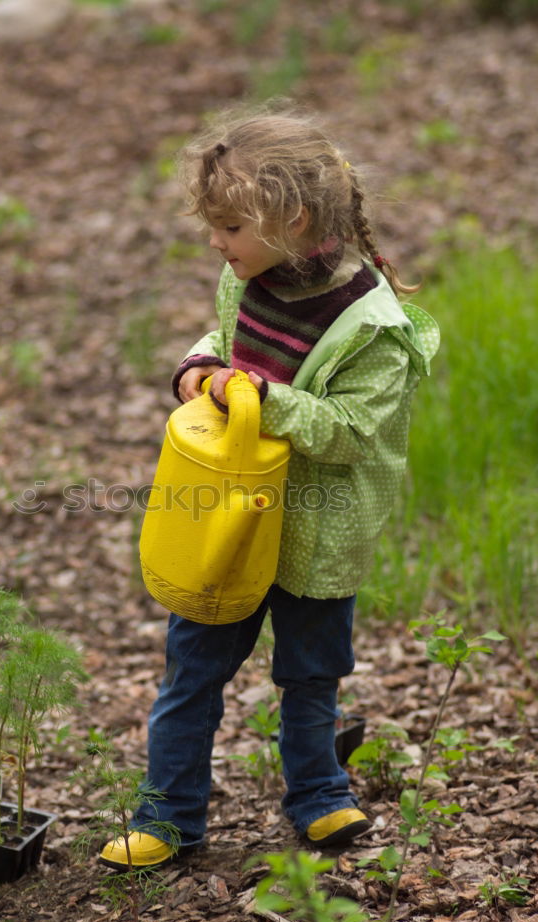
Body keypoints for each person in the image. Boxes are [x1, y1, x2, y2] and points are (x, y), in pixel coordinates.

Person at [100, 106, 440, 870]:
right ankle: (169, 816)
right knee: (193, 672)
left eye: (228, 229)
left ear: (290, 219)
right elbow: (223, 343)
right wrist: (196, 368)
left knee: (311, 674)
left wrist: (253, 393)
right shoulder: (245, 276)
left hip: (317, 526)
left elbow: (352, 432)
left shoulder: (372, 328)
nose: (217, 245)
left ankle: (318, 796)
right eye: (215, 230)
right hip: (230, 521)